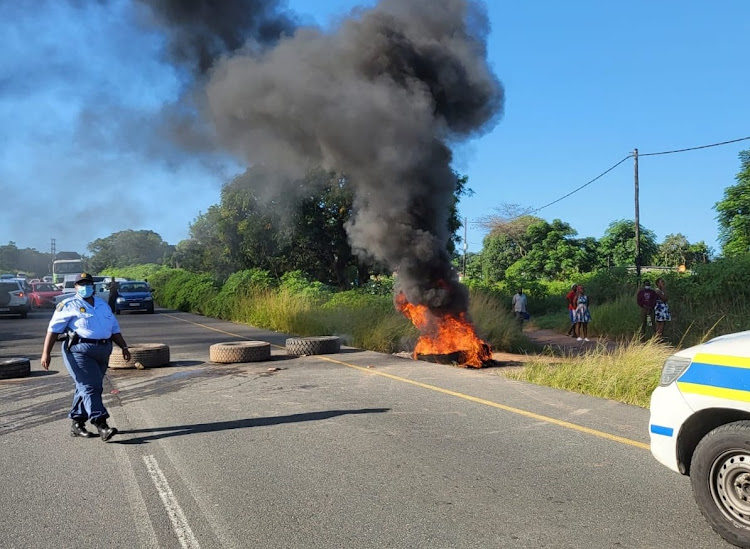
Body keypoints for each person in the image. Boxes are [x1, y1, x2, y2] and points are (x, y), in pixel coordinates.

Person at [40, 272, 130, 441]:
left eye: (88, 283)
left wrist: (124, 346)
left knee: (87, 386)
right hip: (79, 350)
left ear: (93, 286)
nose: (85, 286)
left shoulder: (103, 305)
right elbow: (53, 330)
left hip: (103, 349)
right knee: (90, 387)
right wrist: (46, 353)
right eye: (81, 284)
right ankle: (101, 424)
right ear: (75, 287)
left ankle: (77, 422)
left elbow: (114, 329)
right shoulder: (68, 305)